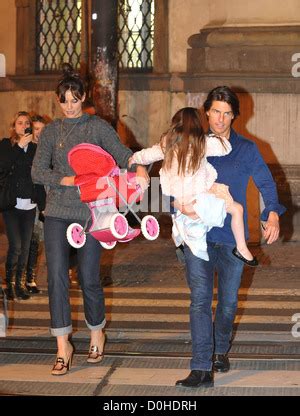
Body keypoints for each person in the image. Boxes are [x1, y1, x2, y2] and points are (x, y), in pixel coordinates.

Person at [32, 63, 149, 376]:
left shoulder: (97, 127)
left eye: (75, 99)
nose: (69, 106)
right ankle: (63, 345)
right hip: (57, 212)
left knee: (88, 277)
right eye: (64, 100)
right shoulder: (52, 131)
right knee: (56, 276)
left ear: (83, 97)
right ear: (57, 101)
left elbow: (122, 153)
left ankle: (97, 331)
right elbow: (37, 170)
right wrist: (67, 180)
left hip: (93, 213)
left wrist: (138, 167)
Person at [173, 86, 286, 388]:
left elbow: (265, 183)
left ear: (234, 115)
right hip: (196, 236)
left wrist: (271, 214)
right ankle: (200, 368)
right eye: (216, 112)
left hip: (230, 238)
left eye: (227, 113)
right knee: (199, 301)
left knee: (227, 304)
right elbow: (168, 170)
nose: (221, 119)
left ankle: (220, 349)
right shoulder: (190, 144)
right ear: (206, 111)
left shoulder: (246, 149)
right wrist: (170, 200)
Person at [129, 107, 257, 266]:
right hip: (199, 197)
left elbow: (145, 155)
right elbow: (226, 147)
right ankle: (242, 248)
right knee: (237, 209)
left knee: (194, 225)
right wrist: (212, 136)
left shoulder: (167, 144)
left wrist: (134, 160)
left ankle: (181, 240)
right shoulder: (202, 143)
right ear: (198, 124)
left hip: (177, 198)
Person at [0, 111, 46, 301]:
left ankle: (20, 285)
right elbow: (3, 165)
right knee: (16, 246)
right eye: (19, 123)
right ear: (14, 127)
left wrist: (42, 206)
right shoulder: (6, 144)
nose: (23, 126)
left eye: (26, 123)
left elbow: (39, 180)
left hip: (29, 205)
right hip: (12, 204)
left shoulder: (35, 149)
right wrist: (20, 146)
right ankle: (9, 285)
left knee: (26, 248)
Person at [25, 114, 49, 294]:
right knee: (32, 239)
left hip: (47, 199)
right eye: (36, 129)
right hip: (30, 200)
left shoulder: (48, 149)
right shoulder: (27, 148)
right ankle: (28, 278)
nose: (39, 133)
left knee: (44, 240)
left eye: (42, 129)